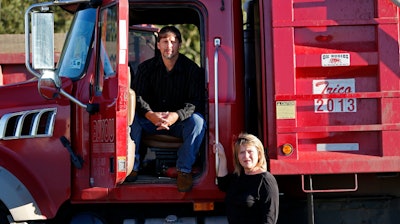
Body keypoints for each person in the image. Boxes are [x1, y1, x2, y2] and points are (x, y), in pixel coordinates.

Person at [129, 26, 206, 192]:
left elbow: (195, 102)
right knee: (130, 117)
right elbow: (138, 97)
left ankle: (184, 170)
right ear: (158, 45)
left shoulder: (192, 70)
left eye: (173, 41)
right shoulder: (145, 68)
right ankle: (132, 167)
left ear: (179, 44)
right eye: (164, 41)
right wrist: (151, 115)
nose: (168, 45)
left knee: (198, 122)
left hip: (179, 123)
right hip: (150, 121)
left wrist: (175, 116)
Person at [213, 133, 279, 224]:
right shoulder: (238, 177)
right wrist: (222, 157)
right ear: (237, 157)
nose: (246, 156)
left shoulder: (266, 180)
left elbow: (270, 218)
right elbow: (222, 184)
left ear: (259, 154)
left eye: (250, 151)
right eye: (242, 152)